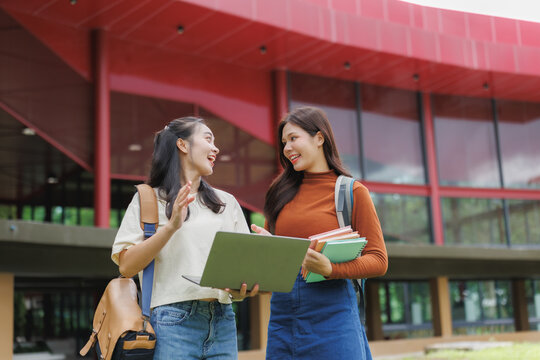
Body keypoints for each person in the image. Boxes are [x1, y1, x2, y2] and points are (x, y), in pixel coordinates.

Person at [112, 117, 258, 360]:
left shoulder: (226, 203)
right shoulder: (148, 199)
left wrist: (242, 289)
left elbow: (242, 272)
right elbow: (126, 266)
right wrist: (171, 227)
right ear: (182, 145)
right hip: (172, 321)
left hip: (223, 319)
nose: (216, 148)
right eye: (208, 139)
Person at [251, 106, 388, 359]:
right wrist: (258, 267)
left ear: (319, 138)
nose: (287, 148)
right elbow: (271, 274)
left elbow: (379, 260)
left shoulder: (352, 192)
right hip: (283, 320)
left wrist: (331, 269)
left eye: (293, 138)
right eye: (284, 142)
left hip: (334, 317)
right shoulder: (278, 194)